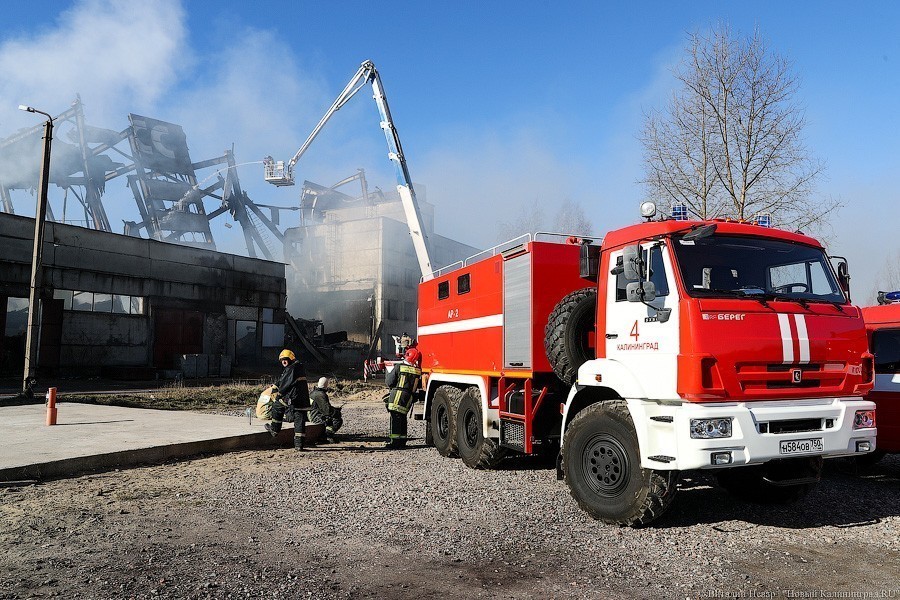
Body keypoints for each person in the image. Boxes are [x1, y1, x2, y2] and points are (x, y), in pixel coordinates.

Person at [265, 349, 311, 451]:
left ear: (290, 359)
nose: (283, 362)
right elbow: (283, 379)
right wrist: (276, 385)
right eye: (282, 360)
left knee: (277, 405)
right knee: (300, 420)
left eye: (285, 359)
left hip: (293, 398)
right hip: (303, 399)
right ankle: (299, 445)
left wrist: (279, 394)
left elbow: (286, 383)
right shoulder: (298, 367)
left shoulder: (292, 368)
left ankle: (274, 430)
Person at [384, 346, 423, 448]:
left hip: (397, 395)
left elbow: (389, 382)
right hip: (408, 397)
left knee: (395, 418)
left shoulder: (399, 367)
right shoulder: (418, 371)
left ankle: (395, 443)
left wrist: (388, 372)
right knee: (402, 418)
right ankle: (402, 441)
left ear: (406, 356)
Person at [308, 377, 343, 443]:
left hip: (311, 414)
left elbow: (323, 408)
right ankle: (327, 436)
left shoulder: (314, 392)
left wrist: (334, 409)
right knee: (337, 420)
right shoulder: (321, 395)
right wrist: (337, 412)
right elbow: (327, 411)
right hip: (315, 417)